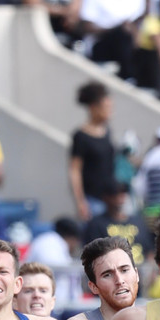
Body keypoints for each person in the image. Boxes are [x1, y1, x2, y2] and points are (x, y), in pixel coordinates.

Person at [78, 0, 147, 79]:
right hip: (100, 44)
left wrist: (132, 30)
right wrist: (116, 28)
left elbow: (139, 21)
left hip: (128, 43)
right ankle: (129, 76)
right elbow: (86, 26)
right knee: (122, 34)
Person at [69, 81, 116, 223]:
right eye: (105, 107)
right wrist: (80, 201)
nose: (109, 111)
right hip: (93, 199)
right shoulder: (81, 136)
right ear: (93, 108)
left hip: (111, 197)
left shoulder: (107, 132)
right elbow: (74, 170)